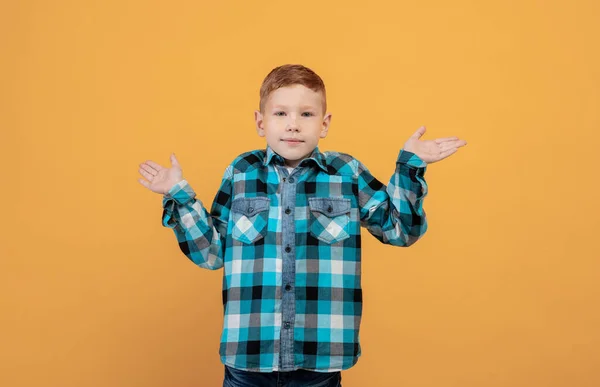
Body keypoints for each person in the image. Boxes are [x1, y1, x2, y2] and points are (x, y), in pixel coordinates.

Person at [137, 64, 467, 387]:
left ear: (324, 124)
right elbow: (211, 253)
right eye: (281, 114)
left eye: (306, 115)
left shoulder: (346, 173)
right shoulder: (241, 171)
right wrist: (178, 195)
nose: (293, 125)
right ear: (260, 121)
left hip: (319, 364)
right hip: (249, 361)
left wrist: (410, 167)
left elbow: (401, 230)